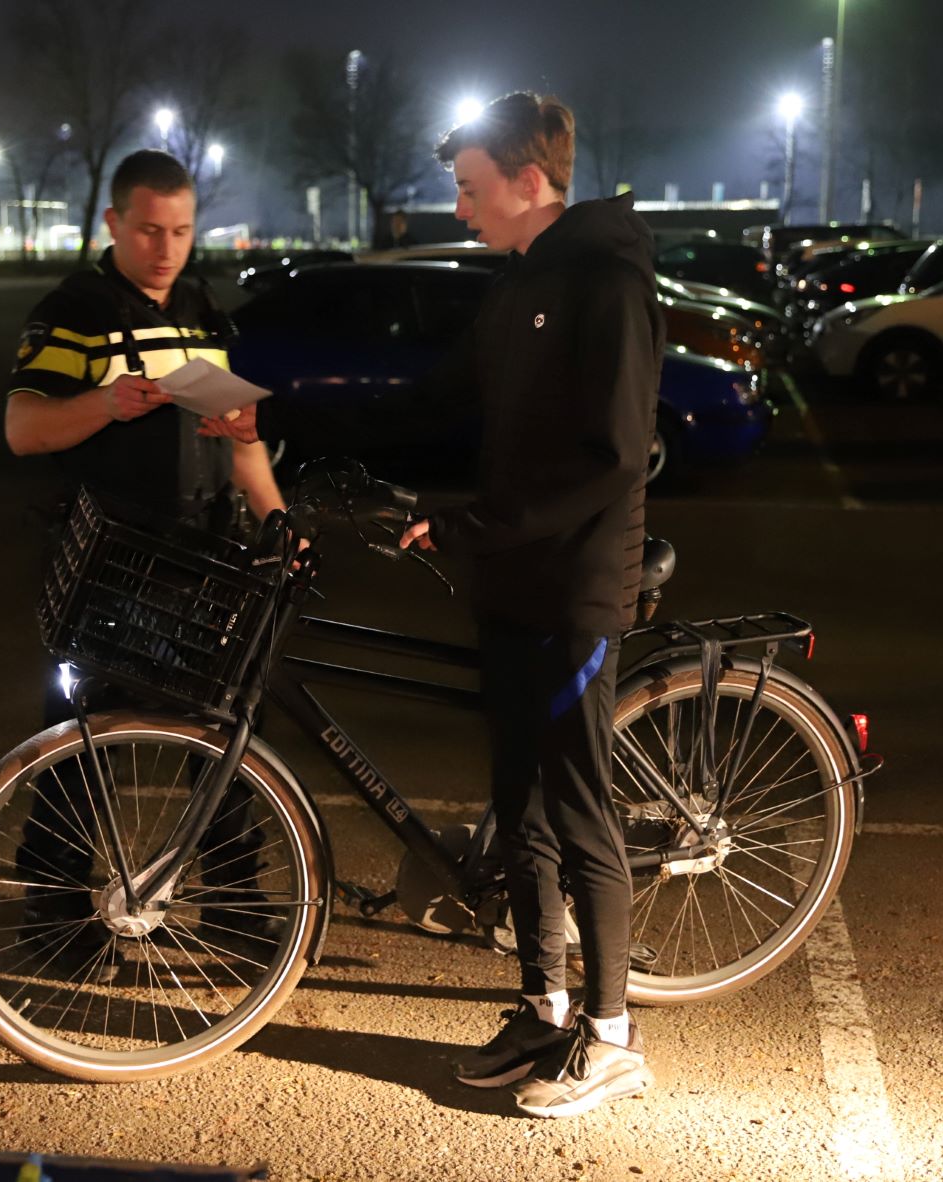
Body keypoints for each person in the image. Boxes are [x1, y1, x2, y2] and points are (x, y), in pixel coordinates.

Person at [396, 94, 665, 1117]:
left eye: (468, 187)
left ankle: (611, 1038)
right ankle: (542, 1008)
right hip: (509, 584)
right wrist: (287, 420)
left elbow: (612, 457)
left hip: (575, 590)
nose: (458, 206)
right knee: (519, 810)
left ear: (526, 181)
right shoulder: (520, 286)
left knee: (580, 813)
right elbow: (441, 398)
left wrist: (474, 526)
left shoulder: (604, 279)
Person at [3, 150, 280, 978]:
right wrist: (102, 404)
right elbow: (22, 428)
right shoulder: (74, 314)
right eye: (150, 230)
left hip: (205, 558)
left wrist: (278, 520)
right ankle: (52, 918)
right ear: (114, 224)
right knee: (87, 745)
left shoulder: (200, 309)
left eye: (183, 231)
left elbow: (242, 440)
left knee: (231, 734)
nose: (167, 249)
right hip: (110, 563)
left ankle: (235, 899)